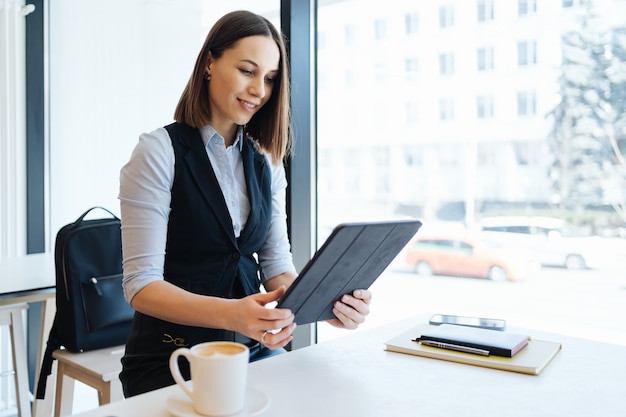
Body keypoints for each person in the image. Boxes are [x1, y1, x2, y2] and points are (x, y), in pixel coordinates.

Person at [117, 10, 372, 397]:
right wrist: (232, 312)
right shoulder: (158, 152)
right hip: (173, 360)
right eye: (247, 71)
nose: (259, 90)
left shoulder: (266, 161)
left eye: (269, 79)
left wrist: (324, 303)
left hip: (250, 351)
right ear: (209, 63)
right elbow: (141, 286)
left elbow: (276, 268)